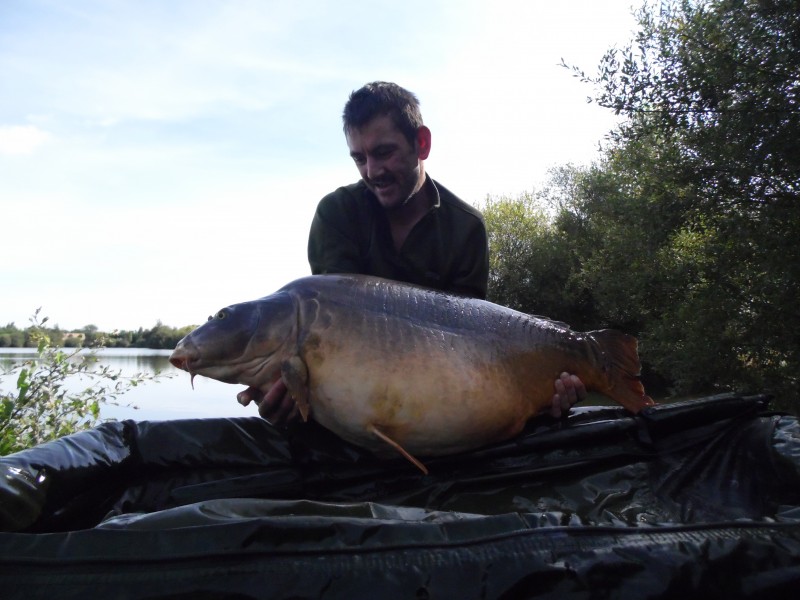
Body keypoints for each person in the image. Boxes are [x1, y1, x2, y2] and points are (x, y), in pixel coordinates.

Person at [238, 81, 586, 425]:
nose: (372, 172)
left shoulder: (465, 228)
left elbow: (474, 345)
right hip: (358, 391)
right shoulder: (337, 213)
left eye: (384, 152)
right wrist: (291, 387)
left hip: (439, 395)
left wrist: (541, 389)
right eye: (360, 158)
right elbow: (331, 331)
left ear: (422, 143)